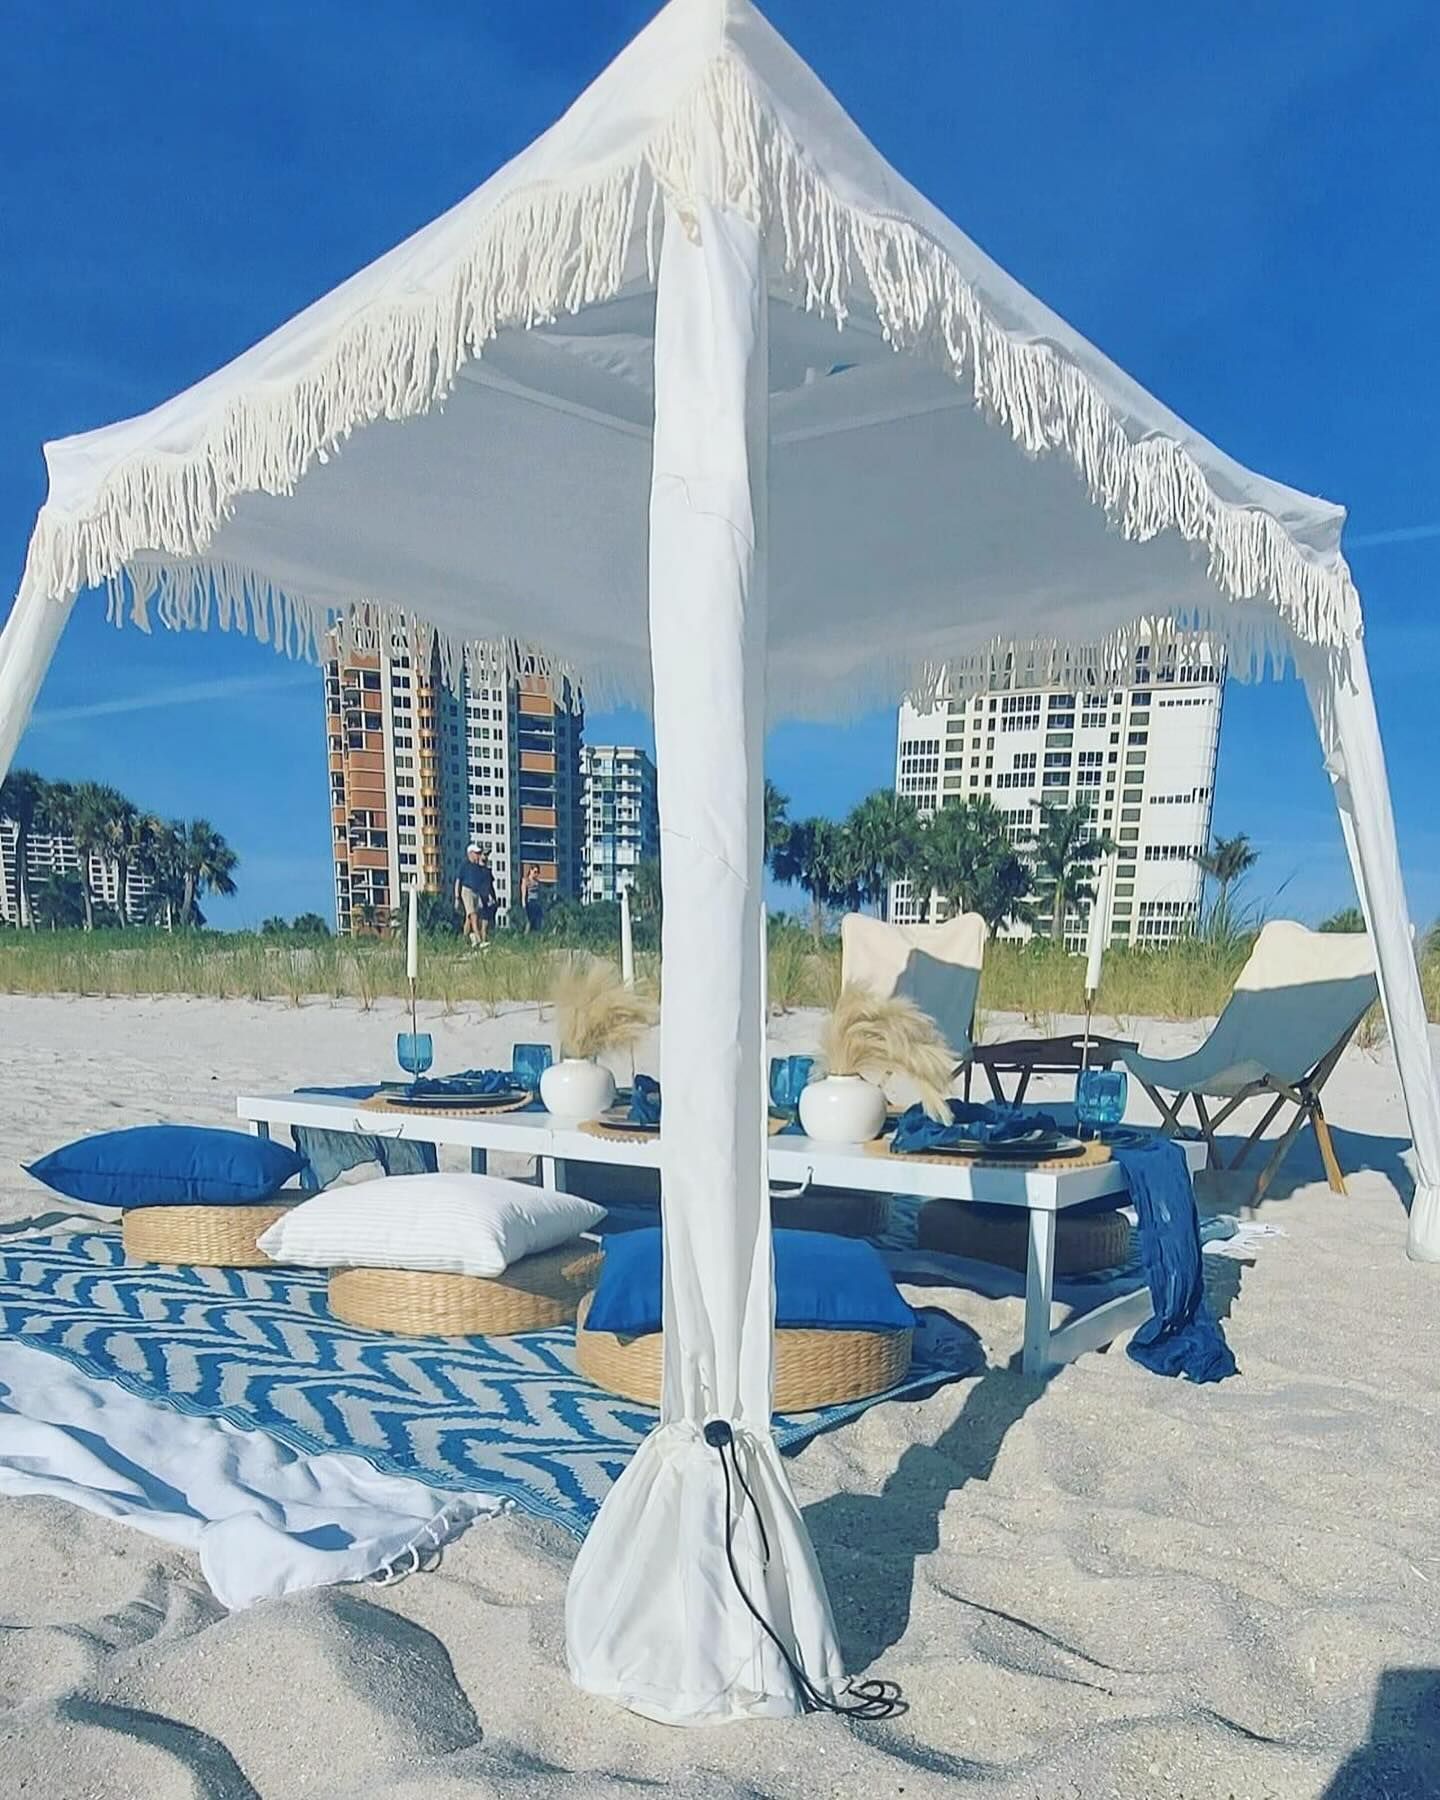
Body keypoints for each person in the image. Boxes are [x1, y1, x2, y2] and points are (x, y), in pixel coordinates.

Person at [454, 844, 497, 949]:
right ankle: (478, 940)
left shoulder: (478, 868)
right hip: (467, 890)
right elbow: (458, 881)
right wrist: (457, 897)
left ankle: (464, 940)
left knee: (469, 919)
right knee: (473, 915)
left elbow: (485, 884)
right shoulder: (465, 865)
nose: (478, 855)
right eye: (476, 853)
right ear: (470, 853)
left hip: (476, 893)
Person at [520, 864, 544, 935]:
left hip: (537, 903)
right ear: (531, 870)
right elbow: (523, 893)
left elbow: (540, 894)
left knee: (538, 922)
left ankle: (535, 938)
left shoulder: (537, 882)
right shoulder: (525, 880)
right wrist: (524, 904)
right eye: (535, 872)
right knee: (529, 922)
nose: (536, 874)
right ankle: (525, 938)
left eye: (537, 872)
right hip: (530, 903)